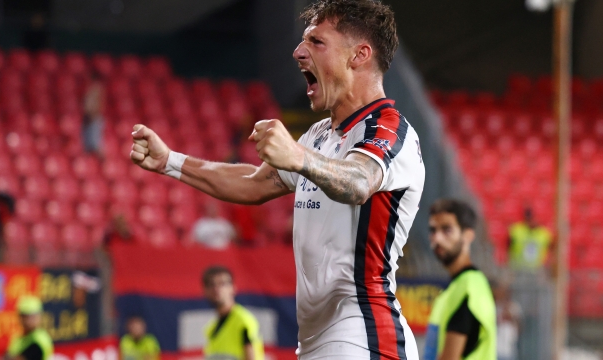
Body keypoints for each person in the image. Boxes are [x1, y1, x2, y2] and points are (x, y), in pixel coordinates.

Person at [130, 1, 425, 358]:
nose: (298, 52)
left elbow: (360, 181)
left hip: (363, 333)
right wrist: (171, 162)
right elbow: (255, 183)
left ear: (359, 55)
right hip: (319, 339)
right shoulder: (318, 134)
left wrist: (299, 157)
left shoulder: (389, 129)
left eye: (316, 42)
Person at [424, 199, 496, 360]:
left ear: (468, 235)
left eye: (446, 230)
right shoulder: (455, 288)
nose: (437, 238)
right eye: (433, 230)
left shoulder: (469, 288)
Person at [202, 266, 264, 360]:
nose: (216, 289)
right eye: (212, 284)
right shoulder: (211, 328)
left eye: (222, 284)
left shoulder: (242, 321)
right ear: (205, 290)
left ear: (233, 288)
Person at [5, 296, 54, 360]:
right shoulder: (17, 338)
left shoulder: (40, 340)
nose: (28, 320)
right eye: (24, 316)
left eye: (32, 316)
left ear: (39, 316)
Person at [492, 281, 522, 360]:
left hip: (510, 350)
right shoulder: (494, 307)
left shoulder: (514, 307)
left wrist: (512, 318)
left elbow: (520, 329)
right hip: (496, 349)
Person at [82, 72, 105, 156]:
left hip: (93, 119)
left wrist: (93, 115)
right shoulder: (92, 89)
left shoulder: (96, 89)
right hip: (89, 119)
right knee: (88, 146)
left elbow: (96, 105)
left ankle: (103, 164)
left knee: (95, 144)